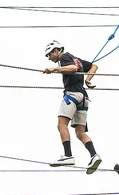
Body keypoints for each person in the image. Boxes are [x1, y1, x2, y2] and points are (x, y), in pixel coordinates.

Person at [43, 40, 102, 173]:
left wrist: (54, 69)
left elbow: (73, 69)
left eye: (49, 54)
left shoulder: (64, 57)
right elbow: (94, 66)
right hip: (83, 98)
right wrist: (88, 80)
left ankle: (68, 155)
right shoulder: (77, 59)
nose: (49, 58)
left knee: (61, 124)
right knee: (80, 132)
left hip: (72, 95)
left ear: (57, 51)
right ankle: (94, 155)